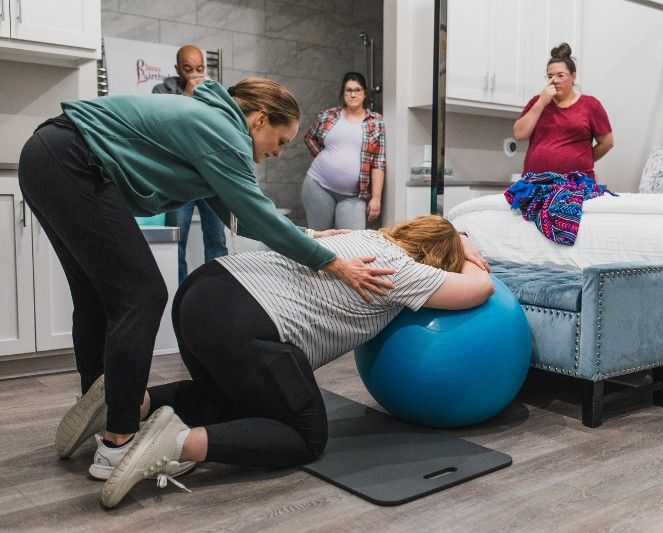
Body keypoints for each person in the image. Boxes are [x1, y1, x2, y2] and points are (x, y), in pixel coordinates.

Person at [17, 76, 397, 478]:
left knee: (98, 299)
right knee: (142, 295)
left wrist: (311, 236)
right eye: (281, 140)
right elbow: (256, 215)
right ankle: (119, 439)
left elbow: (237, 216)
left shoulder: (213, 124)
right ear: (260, 120)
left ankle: (100, 408)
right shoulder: (224, 132)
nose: (278, 152)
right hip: (72, 160)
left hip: (47, 156)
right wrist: (334, 263)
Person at [75, 215, 495, 508]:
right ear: (439, 258)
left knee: (234, 401)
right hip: (244, 322)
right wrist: (470, 252)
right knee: (304, 437)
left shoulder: (359, 237)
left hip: (202, 291)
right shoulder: (402, 271)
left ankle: (131, 400)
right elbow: (480, 290)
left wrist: (454, 233)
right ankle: (171, 445)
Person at [152, 44, 228, 283]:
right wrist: (187, 95)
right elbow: (160, 127)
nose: (195, 75)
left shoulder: (216, 92)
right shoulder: (162, 91)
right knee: (177, 241)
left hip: (210, 177)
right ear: (177, 69)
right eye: (188, 69)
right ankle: (182, 300)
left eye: (199, 68)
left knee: (217, 241)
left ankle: (216, 292)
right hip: (178, 179)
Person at [512, 42, 613, 179]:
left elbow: (607, 143)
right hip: (536, 183)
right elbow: (519, 134)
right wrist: (542, 102)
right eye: (550, 76)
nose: (554, 80)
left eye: (560, 75)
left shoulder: (590, 105)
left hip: (576, 185)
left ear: (573, 76)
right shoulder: (538, 101)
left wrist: (583, 160)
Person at [302, 72, 385, 230]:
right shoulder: (329, 115)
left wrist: (376, 198)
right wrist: (324, 157)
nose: (353, 94)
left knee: (353, 243)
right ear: (343, 93)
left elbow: (378, 163)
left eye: (357, 90)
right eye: (348, 90)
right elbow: (309, 137)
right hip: (318, 186)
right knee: (320, 238)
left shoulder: (375, 121)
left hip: (353, 196)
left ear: (364, 93)